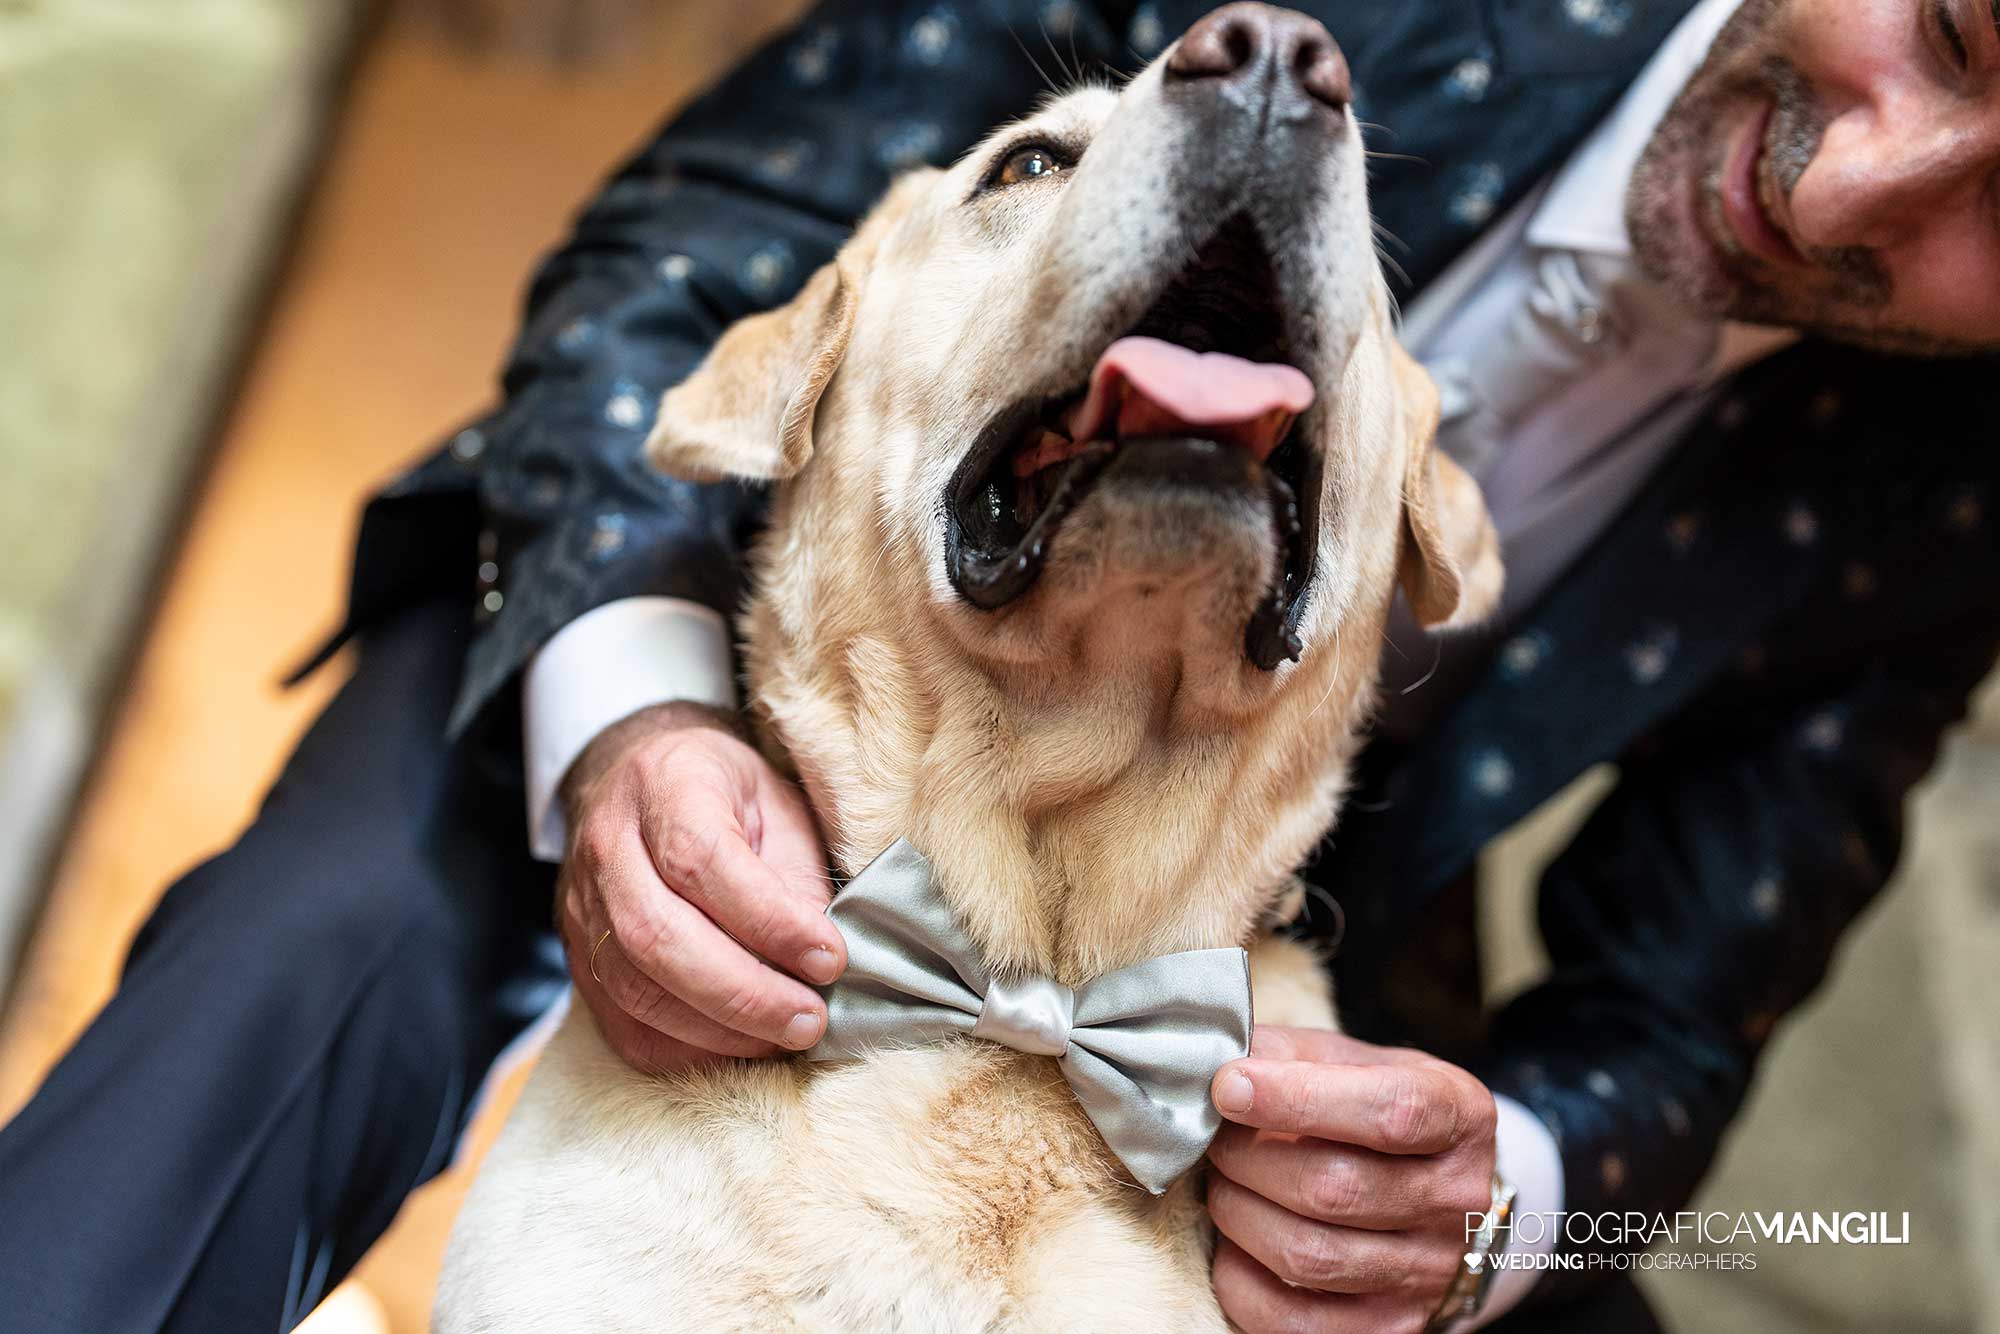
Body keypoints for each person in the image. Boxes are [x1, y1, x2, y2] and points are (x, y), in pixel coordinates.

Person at [2, 1, 1995, 1330]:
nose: (1856, 189)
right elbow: (687, 241)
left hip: (1232, 942)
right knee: (316, 956)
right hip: (680, 605)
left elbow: (1672, 1030)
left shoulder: (1952, 497)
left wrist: (1514, 1197)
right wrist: (630, 715)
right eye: (1942, 28)